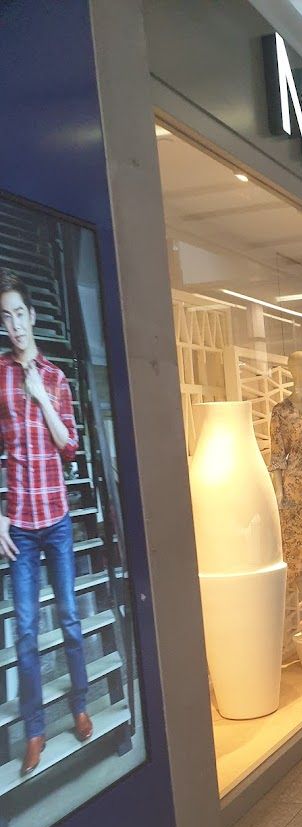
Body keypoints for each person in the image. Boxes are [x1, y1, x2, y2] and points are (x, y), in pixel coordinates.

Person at [0, 270, 92, 776]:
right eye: (5, 316)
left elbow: (69, 445)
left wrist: (38, 393)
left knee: (72, 622)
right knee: (27, 633)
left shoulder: (54, 379)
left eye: (19, 313)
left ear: (33, 317)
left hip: (55, 519)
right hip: (18, 525)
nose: (14, 324)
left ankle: (79, 704)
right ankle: (34, 731)